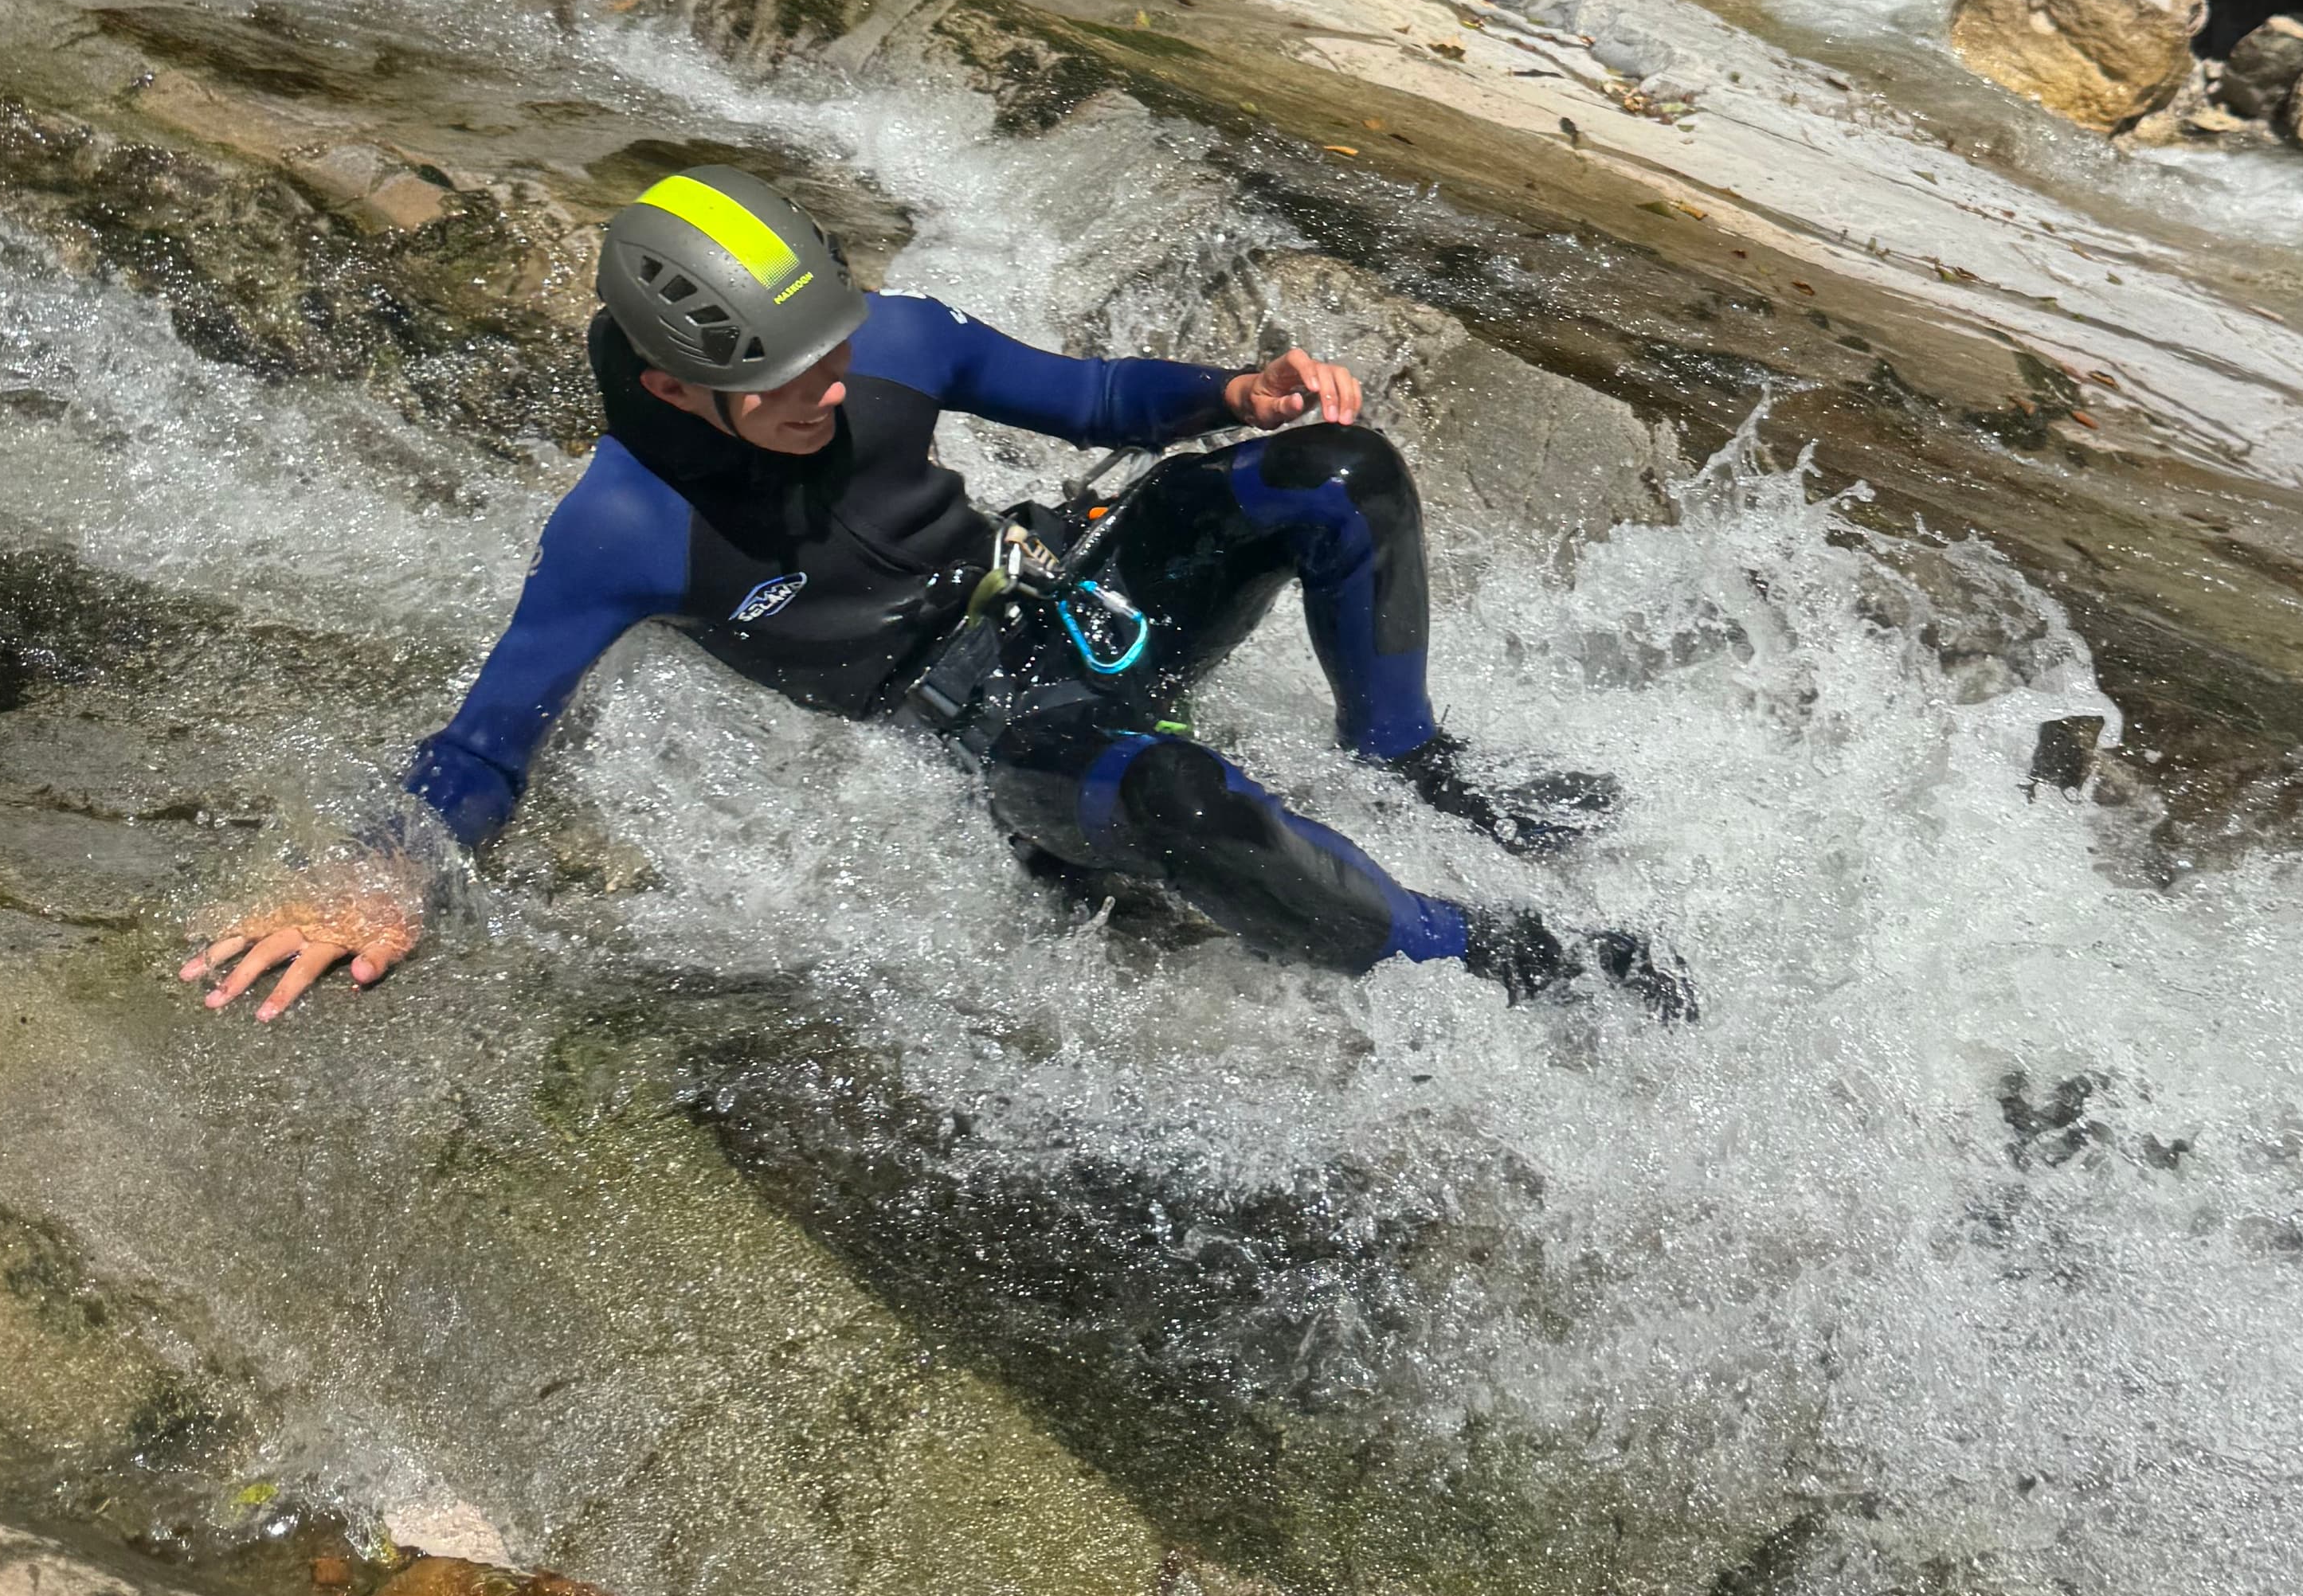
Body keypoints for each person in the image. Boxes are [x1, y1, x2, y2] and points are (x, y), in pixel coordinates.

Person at [182, 163, 1685, 1027]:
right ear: (671, 383)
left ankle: (1411, 756)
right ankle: (1476, 957)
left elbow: (1091, 394)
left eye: (834, 354)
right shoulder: (622, 529)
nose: (832, 394)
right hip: (988, 734)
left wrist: (1239, 388)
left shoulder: (885, 343)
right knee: (1173, 794)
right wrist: (384, 875)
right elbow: (486, 742)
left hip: (1063, 602)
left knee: (1334, 469)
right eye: (781, 383)